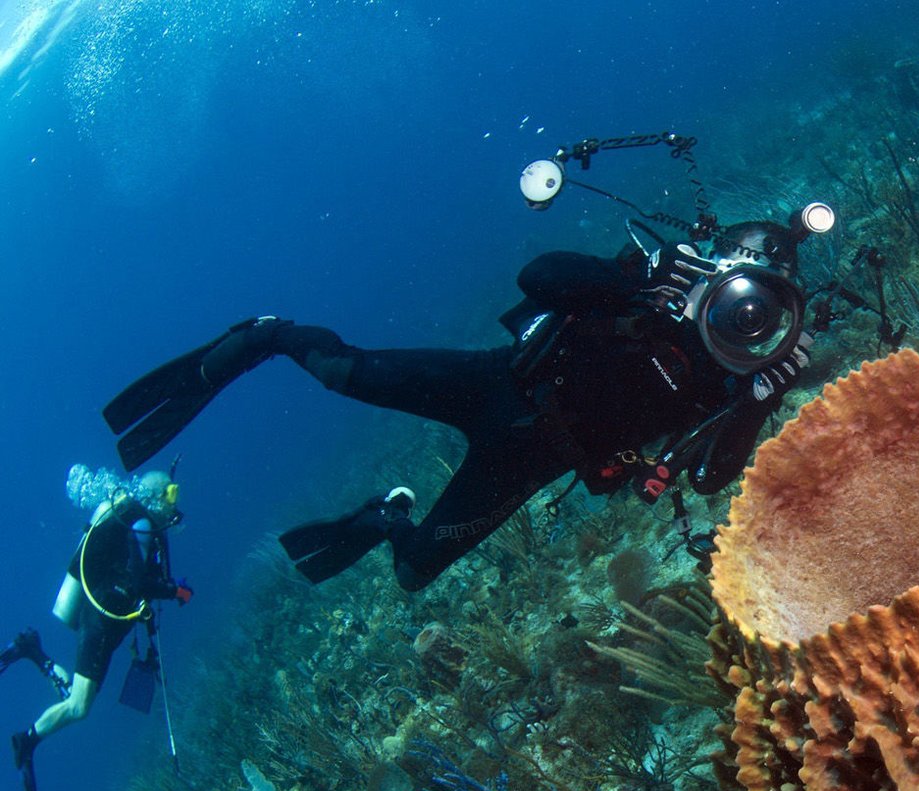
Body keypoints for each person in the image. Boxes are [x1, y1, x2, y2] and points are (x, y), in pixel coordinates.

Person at [102, 218, 815, 591]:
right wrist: (641, 279)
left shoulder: (736, 379)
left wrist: (763, 396)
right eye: (740, 283)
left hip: (528, 464)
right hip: (493, 382)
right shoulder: (652, 289)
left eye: (764, 304)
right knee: (339, 370)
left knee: (413, 572)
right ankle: (265, 335)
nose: (744, 311)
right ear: (718, 263)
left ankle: (382, 517)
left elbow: (709, 479)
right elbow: (537, 276)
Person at [5, 469, 189, 791]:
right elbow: (138, 583)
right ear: (156, 496)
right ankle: (27, 742)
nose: (173, 502)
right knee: (78, 706)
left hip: (102, 620)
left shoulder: (138, 521)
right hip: (100, 623)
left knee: (76, 698)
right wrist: (176, 591)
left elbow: (133, 578)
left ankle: (33, 651)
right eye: (170, 494)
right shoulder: (142, 523)